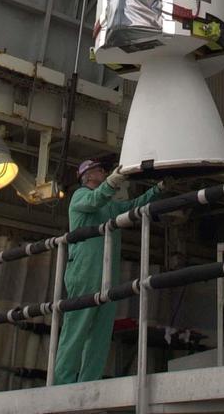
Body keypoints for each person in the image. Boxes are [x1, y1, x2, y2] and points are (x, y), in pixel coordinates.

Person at [54, 159, 163, 385]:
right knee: (77, 328)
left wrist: (158, 189)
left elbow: (133, 206)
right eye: (100, 170)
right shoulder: (80, 196)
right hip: (84, 271)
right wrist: (113, 181)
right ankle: (62, 383)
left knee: (101, 333)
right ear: (86, 175)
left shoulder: (109, 205)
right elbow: (95, 200)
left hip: (106, 274)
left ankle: (89, 382)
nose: (104, 172)